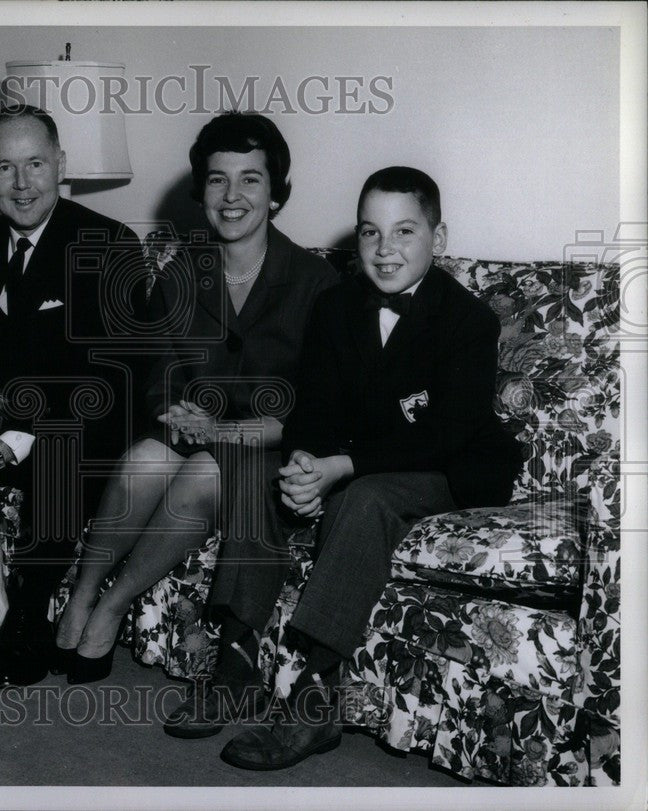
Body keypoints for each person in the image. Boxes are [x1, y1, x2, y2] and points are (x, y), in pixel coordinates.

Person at [216, 166, 524, 770]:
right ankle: (235, 656)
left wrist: (341, 468)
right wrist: (306, 463)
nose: (385, 251)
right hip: (356, 459)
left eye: (404, 232)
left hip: (449, 466)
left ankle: (314, 694)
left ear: (437, 240)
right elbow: (315, 405)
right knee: (258, 473)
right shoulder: (336, 305)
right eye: (369, 233)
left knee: (366, 498)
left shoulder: (469, 320)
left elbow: (446, 434)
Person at [55, 112, 338, 686]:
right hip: (192, 431)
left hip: (265, 445)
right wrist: (175, 411)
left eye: (250, 179)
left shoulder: (317, 282)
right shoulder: (182, 269)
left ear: (276, 194)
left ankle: (113, 607)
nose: (232, 196)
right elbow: (160, 372)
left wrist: (226, 429)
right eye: (217, 179)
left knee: (204, 472)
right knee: (144, 458)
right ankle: (82, 594)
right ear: (201, 190)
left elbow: (318, 403)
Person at [0, 105, 147, 687]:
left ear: (61, 165)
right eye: (6, 168)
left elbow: (108, 384)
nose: (22, 184)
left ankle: (29, 611)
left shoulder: (107, 244)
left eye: (36, 164)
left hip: (77, 430)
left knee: (61, 452)